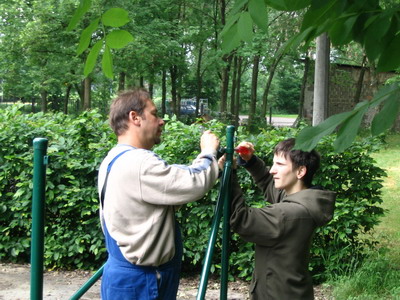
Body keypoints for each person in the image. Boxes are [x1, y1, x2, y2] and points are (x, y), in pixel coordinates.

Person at [97, 88, 220, 300]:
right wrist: (208, 151)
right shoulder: (139, 162)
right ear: (134, 117)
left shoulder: (114, 158)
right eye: (154, 114)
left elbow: (169, 185)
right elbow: (192, 182)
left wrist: (217, 166)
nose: (161, 121)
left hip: (126, 277)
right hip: (141, 282)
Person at [220, 138, 336, 300]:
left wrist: (229, 173)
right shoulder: (302, 200)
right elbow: (269, 183)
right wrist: (251, 161)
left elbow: (241, 218)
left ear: (300, 171)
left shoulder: (289, 214)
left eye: (280, 165)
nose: (272, 170)